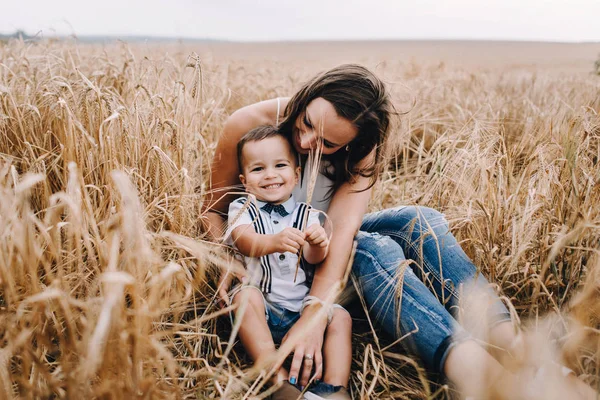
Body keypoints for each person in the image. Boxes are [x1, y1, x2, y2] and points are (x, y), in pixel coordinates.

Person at [205, 64, 597, 399]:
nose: (307, 141)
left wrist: (316, 313)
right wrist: (226, 258)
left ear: (351, 145)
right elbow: (211, 210)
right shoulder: (247, 124)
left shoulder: (361, 150)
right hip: (273, 260)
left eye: (327, 143)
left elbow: (340, 236)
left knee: (417, 220)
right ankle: (480, 374)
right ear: (306, 96)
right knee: (373, 248)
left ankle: (512, 344)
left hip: (320, 249)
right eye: (307, 123)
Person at [226, 125, 352, 400]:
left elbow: (313, 258)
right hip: (265, 310)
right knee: (245, 298)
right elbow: (243, 240)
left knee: (340, 317)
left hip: (299, 310)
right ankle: (276, 379)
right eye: (258, 169)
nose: (270, 175)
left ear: (296, 176)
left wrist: (318, 244)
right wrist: (273, 241)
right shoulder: (242, 208)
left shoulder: (308, 214)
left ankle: (335, 387)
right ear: (244, 181)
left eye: (279, 166)